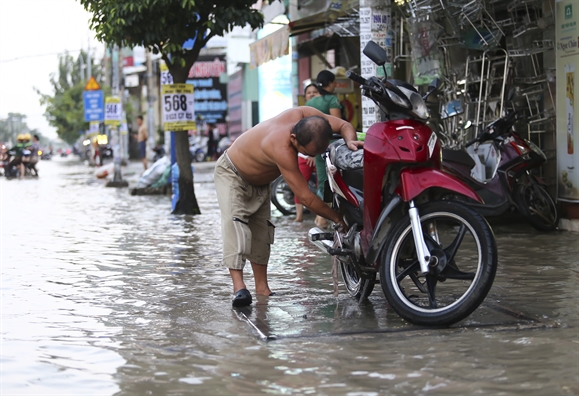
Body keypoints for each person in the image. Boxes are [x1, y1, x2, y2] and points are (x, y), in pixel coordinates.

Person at [214, 106, 363, 307]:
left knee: (262, 231)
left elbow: (344, 125)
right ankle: (239, 288)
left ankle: (262, 288)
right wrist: (337, 217)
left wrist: (350, 141)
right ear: (294, 139)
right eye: (306, 153)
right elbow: (306, 198)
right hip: (231, 173)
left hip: (260, 182)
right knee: (236, 224)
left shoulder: (305, 114)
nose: (313, 157)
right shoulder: (281, 147)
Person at [305, 70, 343, 229]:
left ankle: (321, 217)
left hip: (316, 147)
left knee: (323, 182)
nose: (335, 85)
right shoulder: (332, 100)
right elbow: (338, 124)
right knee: (335, 181)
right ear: (329, 83)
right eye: (334, 82)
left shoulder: (309, 104)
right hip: (332, 146)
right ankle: (322, 217)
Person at [295, 83, 320, 222]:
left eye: (314, 92)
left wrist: (315, 155)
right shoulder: (300, 113)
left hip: (321, 155)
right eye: (309, 92)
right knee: (299, 185)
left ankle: (320, 216)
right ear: (305, 96)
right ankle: (299, 216)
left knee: (322, 185)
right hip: (303, 156)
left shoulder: (323, 111)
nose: (311, 94)